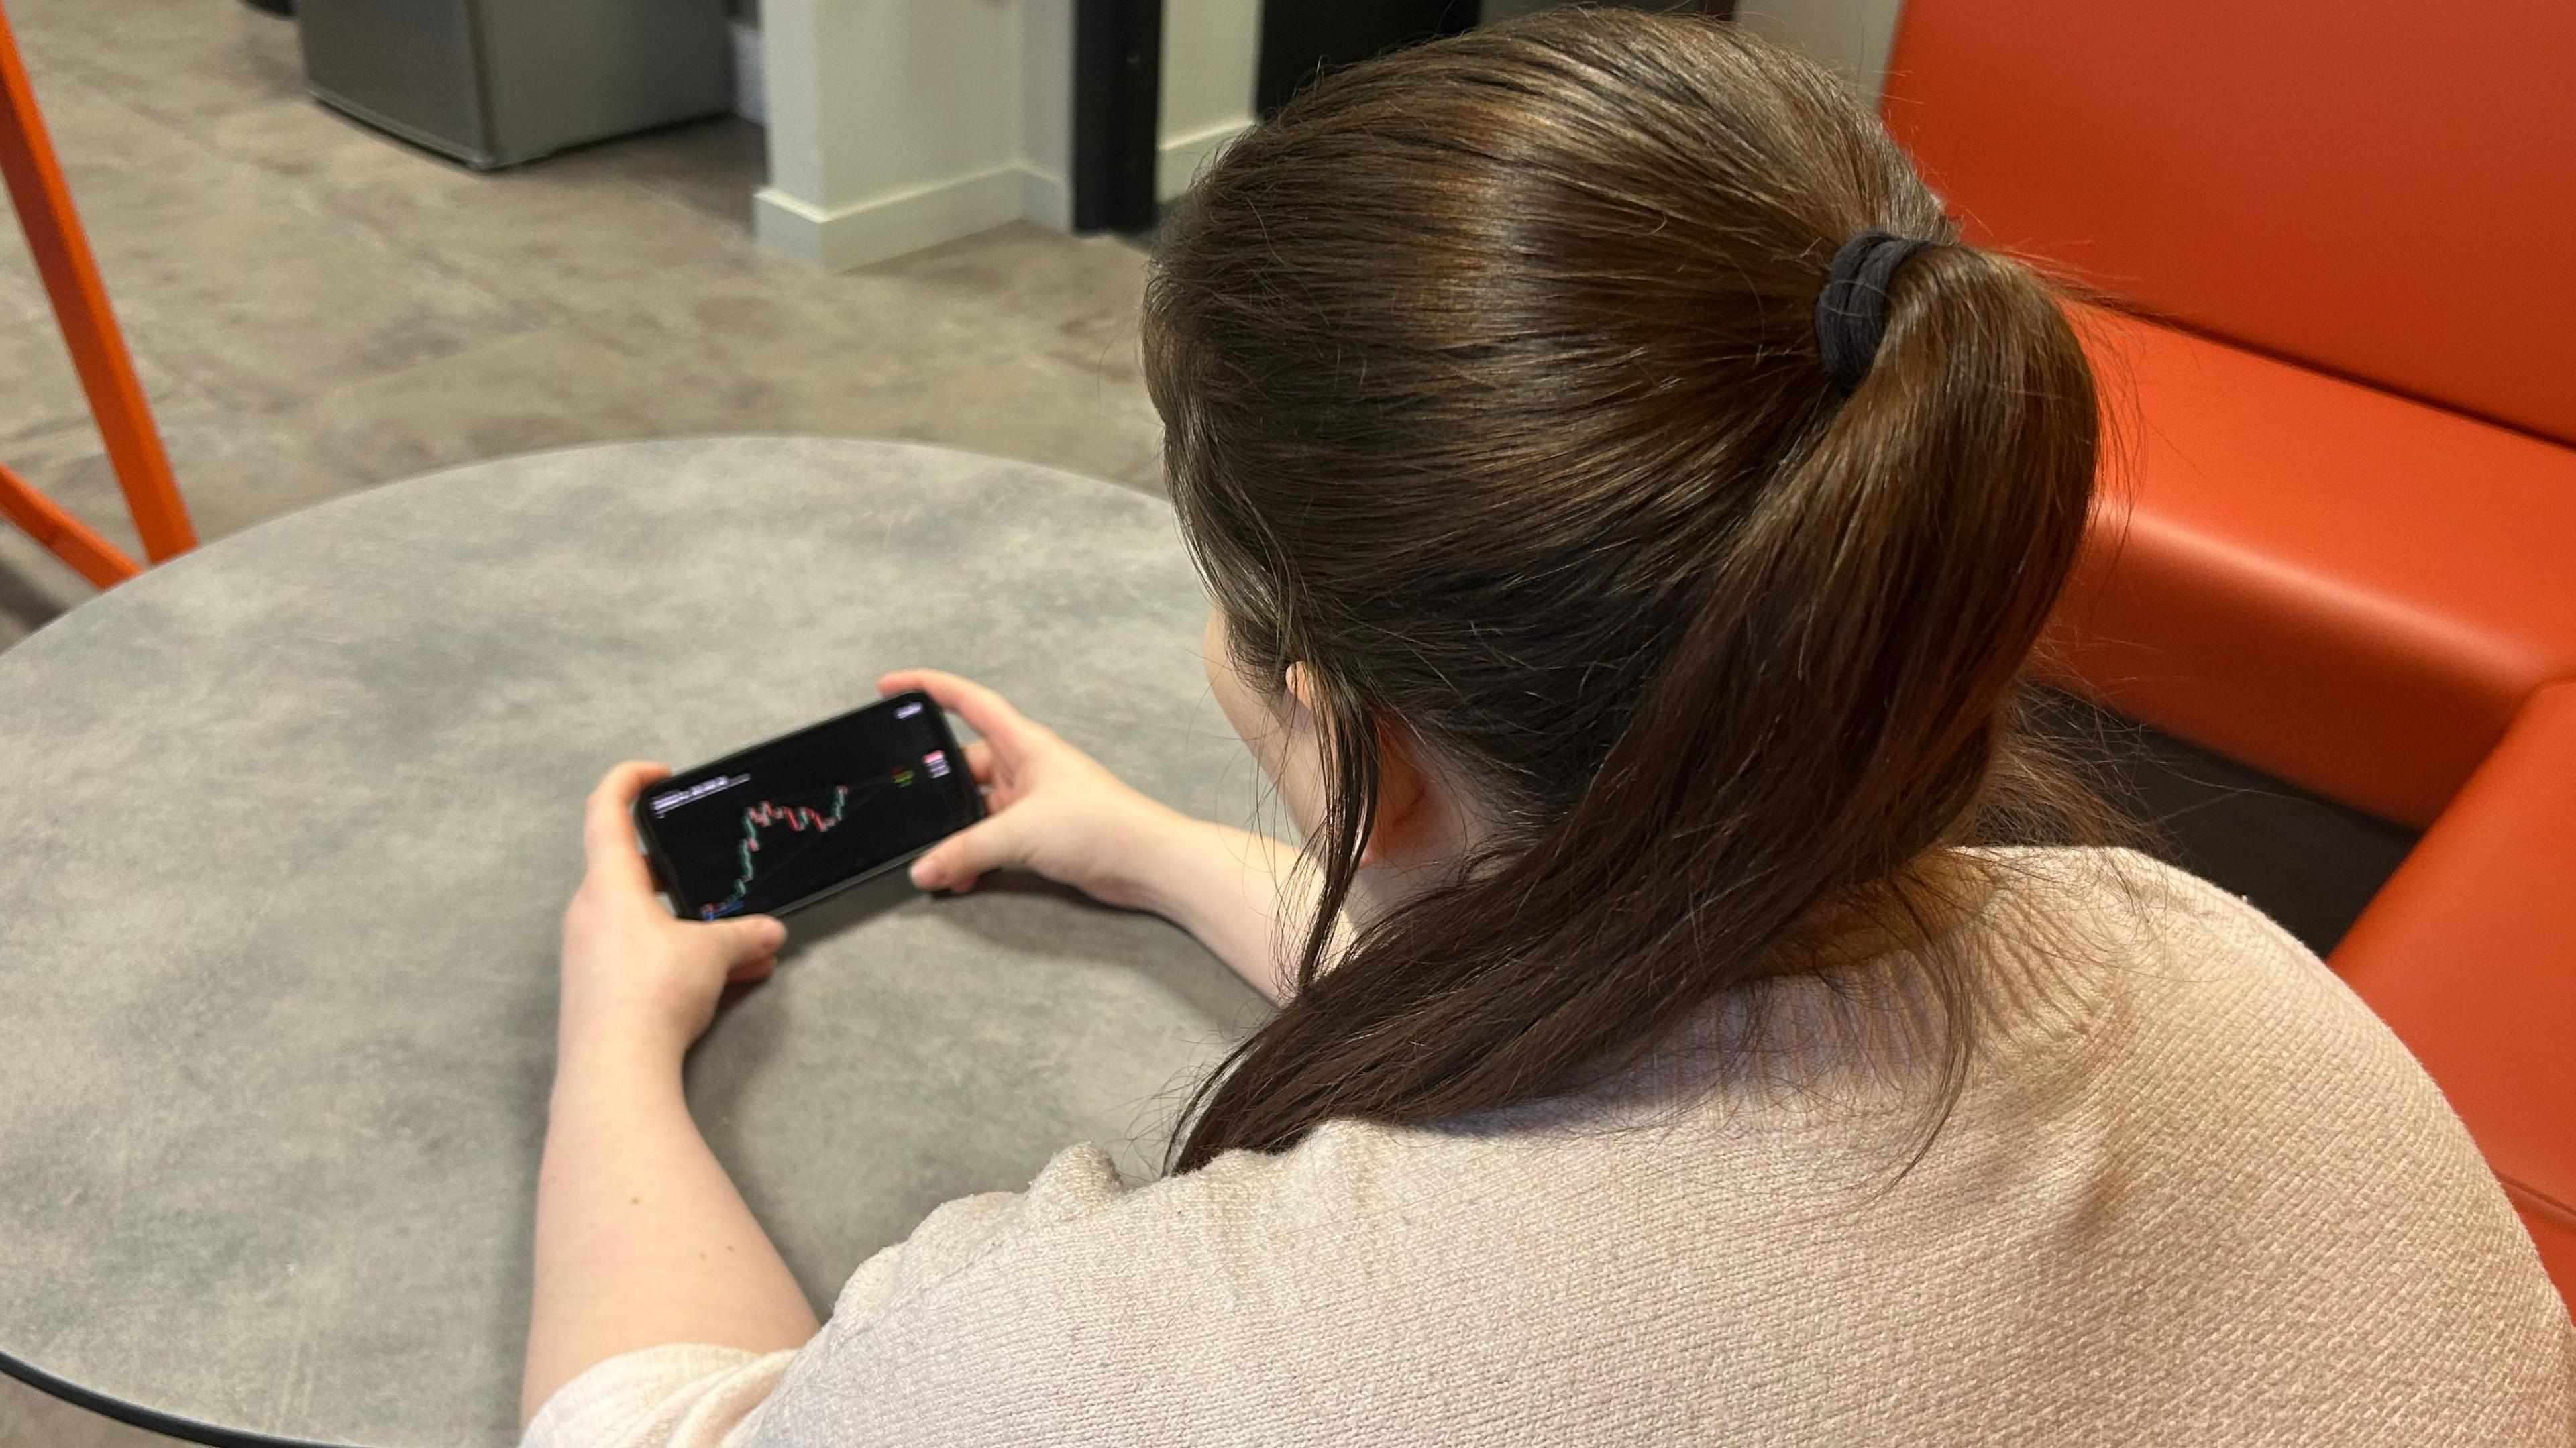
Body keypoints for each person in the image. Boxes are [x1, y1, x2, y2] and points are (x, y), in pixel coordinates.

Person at [516, 13, 2573, 1445]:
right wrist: (1138, 839)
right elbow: (1644, 969)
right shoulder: (2226, 968)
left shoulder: (1169, 1360)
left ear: (1352, 729)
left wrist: (618, 1025)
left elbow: (650, 1426)